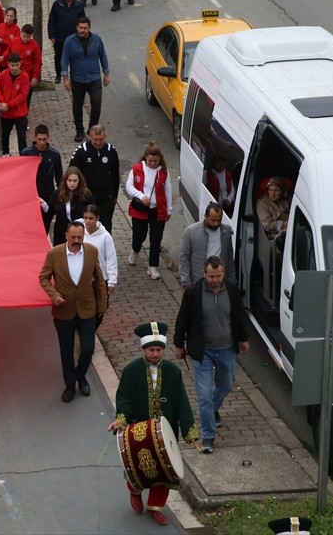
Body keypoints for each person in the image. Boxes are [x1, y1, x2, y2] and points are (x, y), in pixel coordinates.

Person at [107, 322, 197, 527]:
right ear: (144, 349)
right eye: (151, 350)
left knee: (165, 470)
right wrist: (121, 419)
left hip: (166, 431)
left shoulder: (173, 371)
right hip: (139, 430)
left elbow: (182, 401)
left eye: (158, 350)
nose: (155, 354)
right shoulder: (131, 370)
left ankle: (155, 507)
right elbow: (124, 398)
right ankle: (135, 492)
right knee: (137, 466)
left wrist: (189, 430)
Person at [174, 257, 251, 454]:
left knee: (225, 385)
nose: (215, 280)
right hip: (203, 351)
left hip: (226, 349)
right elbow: (183, 319)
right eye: (211, 277)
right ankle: (208, 435)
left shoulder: (231, 288)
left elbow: (239, 315)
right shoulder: (193, 293)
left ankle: (213, 409)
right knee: (204, 396)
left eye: (218, 276)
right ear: (204, 274)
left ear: (223, 274)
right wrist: (179, 344)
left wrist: (244, 338)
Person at [38, 221, 109, 403]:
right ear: (66, 236)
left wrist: (102, 306)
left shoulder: (92, 251)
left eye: (80, 237)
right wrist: (54, 295)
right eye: (73, 237)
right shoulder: (54, 254)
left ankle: (81, 375)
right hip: (64, 311)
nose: (77, 240)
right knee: (66, 350)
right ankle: (70, 385)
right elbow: (43, 278)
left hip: (87, 309)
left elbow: (99, 281)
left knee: (88, 349)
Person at [61, 17, 112, 143]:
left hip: (94, 78)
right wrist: (65, 78)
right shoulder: (69, 41)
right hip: (77, 79)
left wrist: (106, 74)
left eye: (85, 28)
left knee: (96, 103)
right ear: (77, 28)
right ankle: (79, 131)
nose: (82, 30)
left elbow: (103, 56)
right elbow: (64, 59)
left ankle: (91, 130)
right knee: (77, 105)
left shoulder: (96, 40)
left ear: (89, 28)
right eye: (80, 28)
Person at [126, 142, 172, 280]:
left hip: (157, 211)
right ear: (145, 157)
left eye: (155, 161)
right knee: (139, 235)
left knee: (156, 239)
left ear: (159, 159)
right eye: (150, 160)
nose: (152, 163)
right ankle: (135, 249)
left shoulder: (164, 172)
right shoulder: (136, 169)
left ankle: (153, 266)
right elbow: (129, 186)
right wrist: (141, 196)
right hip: (140, 209)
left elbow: (168, 190)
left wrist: (169, 209)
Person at [69, 125, 120, 234]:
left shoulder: (111, 151)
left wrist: (115, 195)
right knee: (85, 226)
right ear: (90, 136)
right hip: (85, 196)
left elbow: (115, 175)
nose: (98, 142)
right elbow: (72, 172)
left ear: (105, 136)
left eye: (101, 139)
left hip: (105, 197)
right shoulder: (81, 151)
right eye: (95, 139)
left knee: (105, 227)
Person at [179, 202, 234, 288]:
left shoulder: (226, 231)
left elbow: (229, 259)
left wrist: (232, 281)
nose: (216, 223)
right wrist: (186, 282)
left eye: (219, 220)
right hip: (198, 281)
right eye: (213, 220)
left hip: (220, 282)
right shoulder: (191, 232)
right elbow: (184, 257)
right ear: (205, 216)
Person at [20, 124, 63, 234]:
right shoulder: (26, 153)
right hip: (31, 196)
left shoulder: (54, 154)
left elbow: (59, 178)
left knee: (45, 227)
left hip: (48, 196)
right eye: (39, 139)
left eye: (44, 139)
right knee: (31, 227)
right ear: (35, 137)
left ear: (48, 137)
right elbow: (21, 176)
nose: (42, 142)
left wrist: (61, 195)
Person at [46, 0, 85, 84]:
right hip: (60, 37)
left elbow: (83, 21)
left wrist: (82, 34)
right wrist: (52, 35)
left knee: (74, 57)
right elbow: (51, 21)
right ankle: (59, 75)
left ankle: (74, 75)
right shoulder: (57, 4)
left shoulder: (79, 5)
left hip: (74, 38)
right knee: (59, 57)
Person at [0, 53, 30, 156]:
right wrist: (2, 102)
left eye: (17, 65)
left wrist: (8, 105)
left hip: (20, 114)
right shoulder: (3, 75)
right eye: (12, 65)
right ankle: (5, 153)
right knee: (4, 135)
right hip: (6, 114)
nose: (15, 68)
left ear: (20, 64)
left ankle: (23, 156)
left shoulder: (25, 77)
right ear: (8, 64)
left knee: (22, 137)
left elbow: (23, 96)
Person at [80, 205, 119, 296]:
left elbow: (111, 259)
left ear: (97, 218)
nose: (87, 221)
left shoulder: (105, 236)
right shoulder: (79, 233)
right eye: (85, 218)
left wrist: (112, 281)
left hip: (100, 278)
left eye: (91, 218)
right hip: (82, 278)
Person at [51, 167, 95, 246]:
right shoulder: (58, 193)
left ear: (79, 181)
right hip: (61, 232)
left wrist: (83, 220)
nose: (72, 183)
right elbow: (49, 211)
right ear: (65, 180)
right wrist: (44, 205)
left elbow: (93, 212)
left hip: (80, 231)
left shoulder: (86, 194)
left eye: (75, 181)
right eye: (70, 180)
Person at [256, 177, 290, 248]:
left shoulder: (286, 201)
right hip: (274, 241)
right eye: (270, 190)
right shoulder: (262, 203)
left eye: (276, 190)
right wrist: (285, 224)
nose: (272, 194)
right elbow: (267, 226)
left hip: (289, 233)